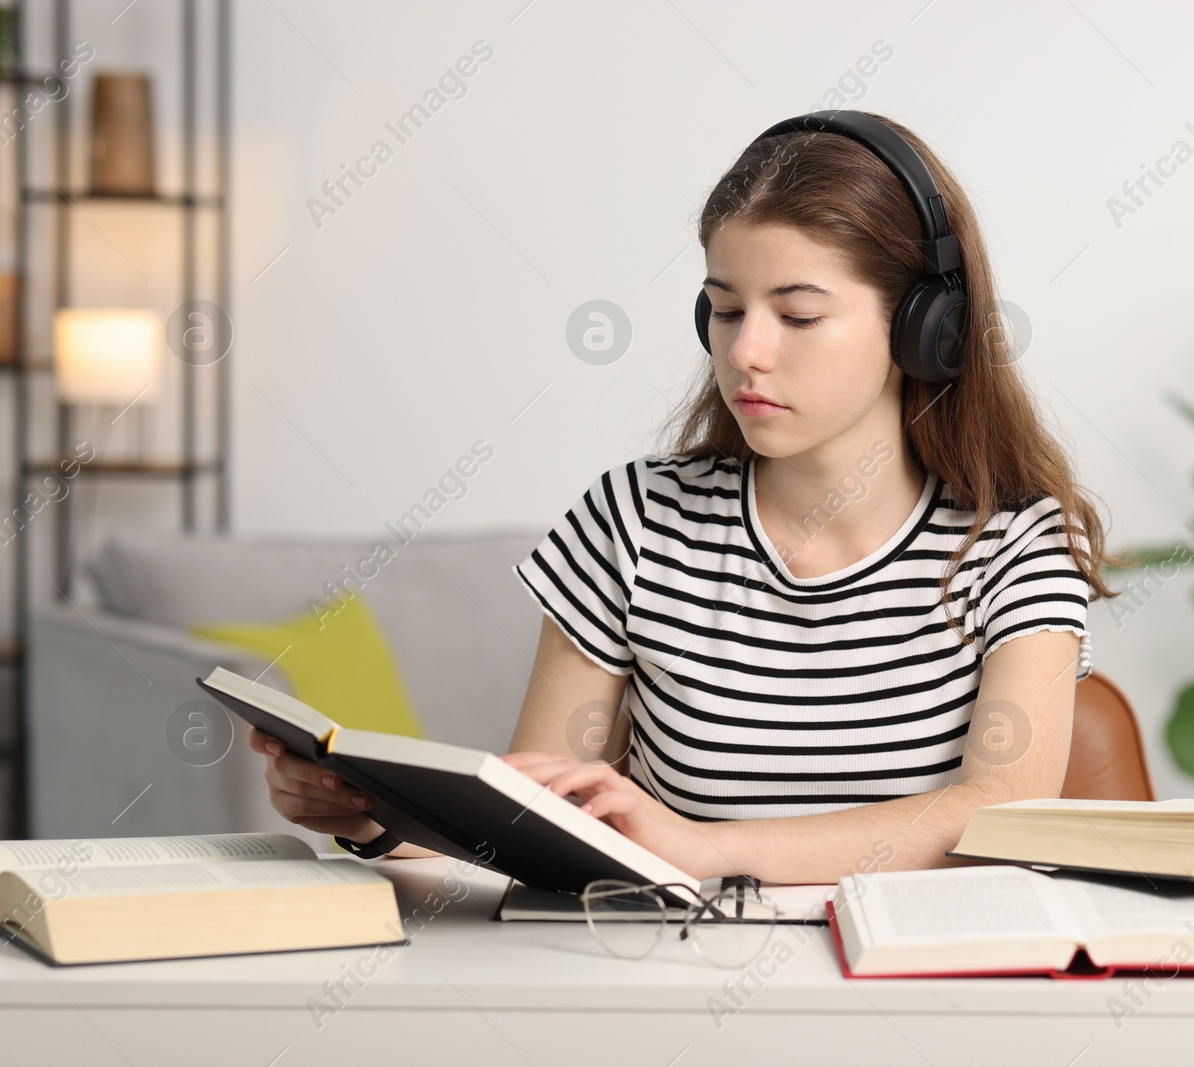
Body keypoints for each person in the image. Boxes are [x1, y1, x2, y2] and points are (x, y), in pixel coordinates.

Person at [248, 110, 1116, 886]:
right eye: (725, 309)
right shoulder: (633, 520)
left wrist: (707, 846)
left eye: (798, 314)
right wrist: (369, 818)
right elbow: (537, 813)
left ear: (927, 325)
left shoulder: (1014, 544)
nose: (745, 352)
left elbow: (998, 810)